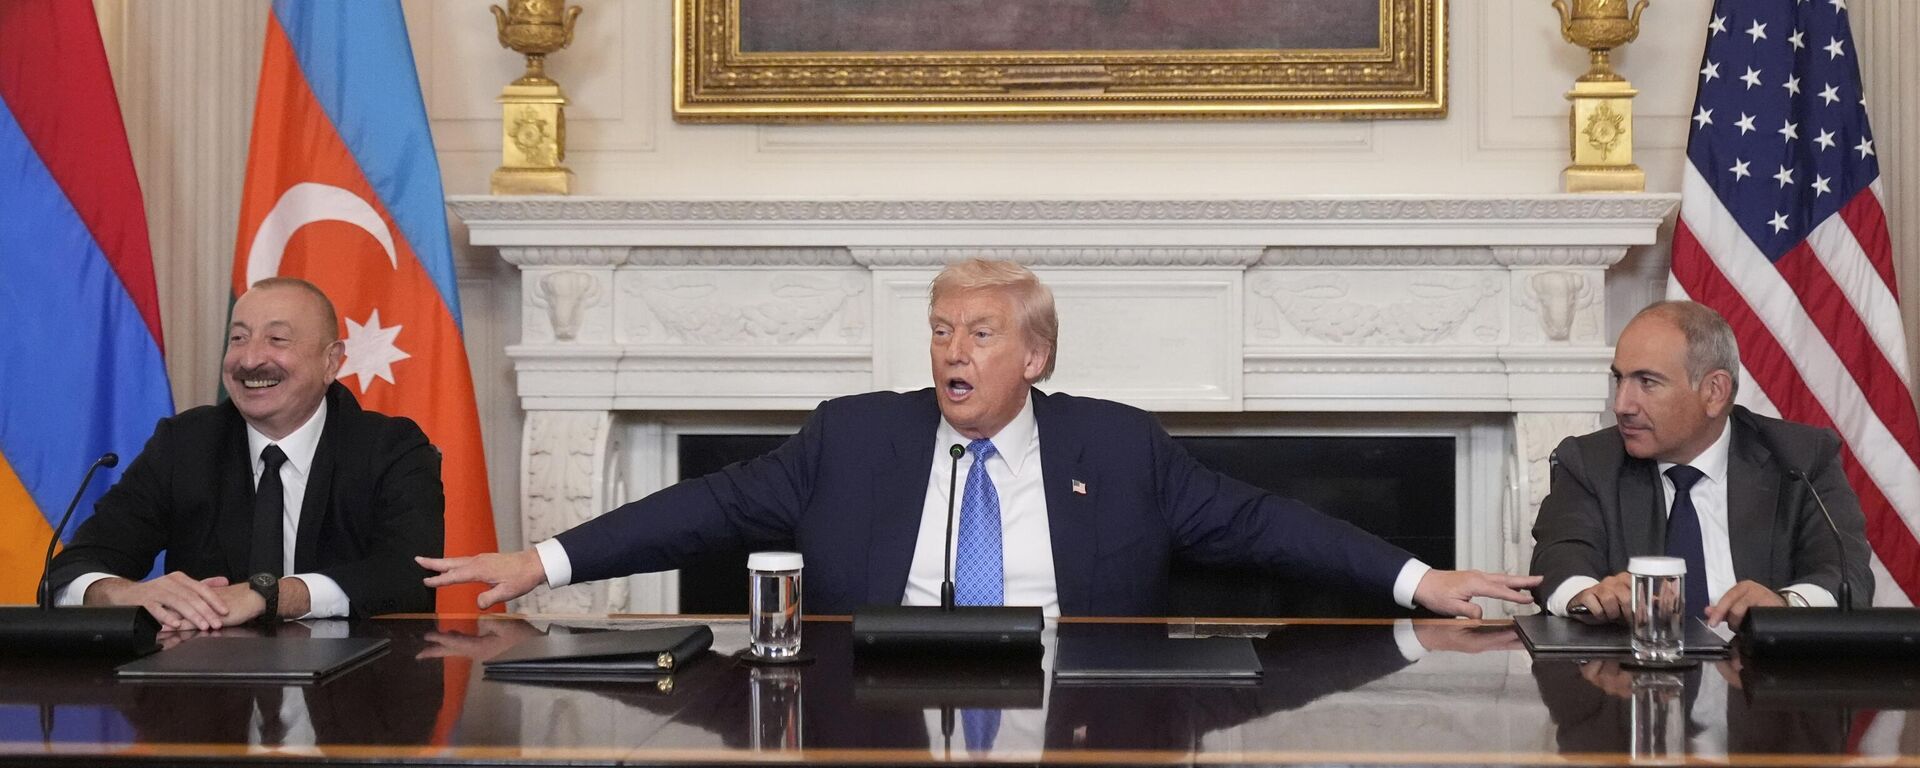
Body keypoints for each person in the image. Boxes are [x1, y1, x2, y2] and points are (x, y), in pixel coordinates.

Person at [421, 259, 1537, 618]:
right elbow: (700, 510)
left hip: (1075, 703)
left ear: (1034, 358)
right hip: (877, 702)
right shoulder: (854, 439)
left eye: (982, 335)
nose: (954, 352)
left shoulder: (1120, 445)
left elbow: (1264, 524)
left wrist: (1417, 577)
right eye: (942, 331)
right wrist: (541, 560)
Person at [46, 277, 444, 629]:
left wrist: (269, 596)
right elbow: (70, 573)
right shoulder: (184, 444)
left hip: (350, 696)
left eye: (277, 339)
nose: (250, 359)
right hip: (207, 696)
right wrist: (122, 594)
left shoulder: (390, 449)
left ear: (331, 362)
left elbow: (409, 581)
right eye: (238, 338)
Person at [1530, 300, 1872, 628]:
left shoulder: (1800, 459)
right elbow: (1560, 557)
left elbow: (1846, 573)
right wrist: (1587, 594)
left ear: (1714, 392)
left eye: (1647, 382)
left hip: (1761, 677)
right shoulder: (1590, 462)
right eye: (1620, 379)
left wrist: (1783, 607)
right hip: (1632, 675)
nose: (1622, 405)